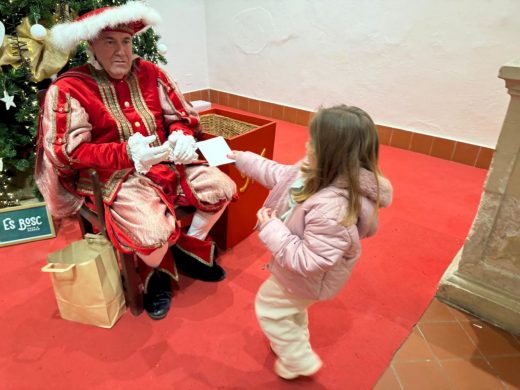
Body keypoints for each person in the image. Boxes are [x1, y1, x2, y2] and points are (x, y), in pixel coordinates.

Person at [35, 1, 236, 320]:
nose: (121, 51)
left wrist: (182, 135)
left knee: (222, 188)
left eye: (126, 41)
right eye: (110, 42)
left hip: (169, 163)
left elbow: (181, 116)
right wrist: (125, 153)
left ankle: (184, 246)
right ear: (92, 45)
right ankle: (158, 271)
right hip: (113, 177)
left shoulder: (151, 72)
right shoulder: (70, 87)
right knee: (152, 235)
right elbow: (66, 153)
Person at [228, 105, 393, 379]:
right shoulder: (311, 173)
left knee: (269, 307)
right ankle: (295, 341)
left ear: (329, 154)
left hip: (304, 277)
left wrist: (271, 228)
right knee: (291, 310)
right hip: (296, 275)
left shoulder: (333, 209)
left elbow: (310, 260)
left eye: (312, 142)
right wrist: (241, 158)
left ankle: (298, 360)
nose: (306, 144)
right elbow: (278, 175)